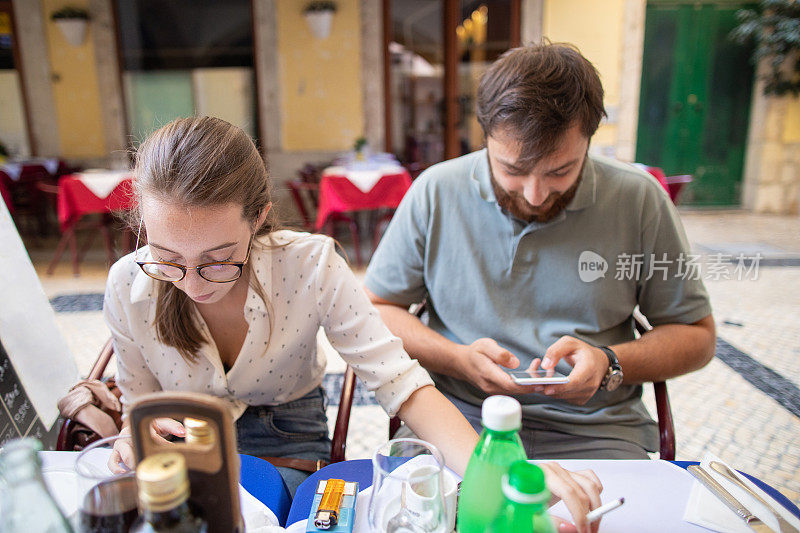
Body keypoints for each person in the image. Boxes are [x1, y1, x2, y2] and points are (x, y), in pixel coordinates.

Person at [102, 116, 604, 533]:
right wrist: (133, 434)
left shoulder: (309, 265)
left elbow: (399, 382)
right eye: (167, 258)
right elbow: (139, 404)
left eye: (218, 260)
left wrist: (497, 471)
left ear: (258, 219)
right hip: (189, 443)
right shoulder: (128, 283)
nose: (192, 284)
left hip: (288, 436)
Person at [365, 43, 716, 460]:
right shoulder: (436, 191)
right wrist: (457, 359)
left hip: (597, 433)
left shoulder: (639, 200)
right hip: (458, 421)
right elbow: (377, 310)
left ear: (589, 138)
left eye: (560, 171)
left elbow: (697, 336)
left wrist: (609, 362)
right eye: (512, 170)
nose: (535, 194)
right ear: (485, 135)